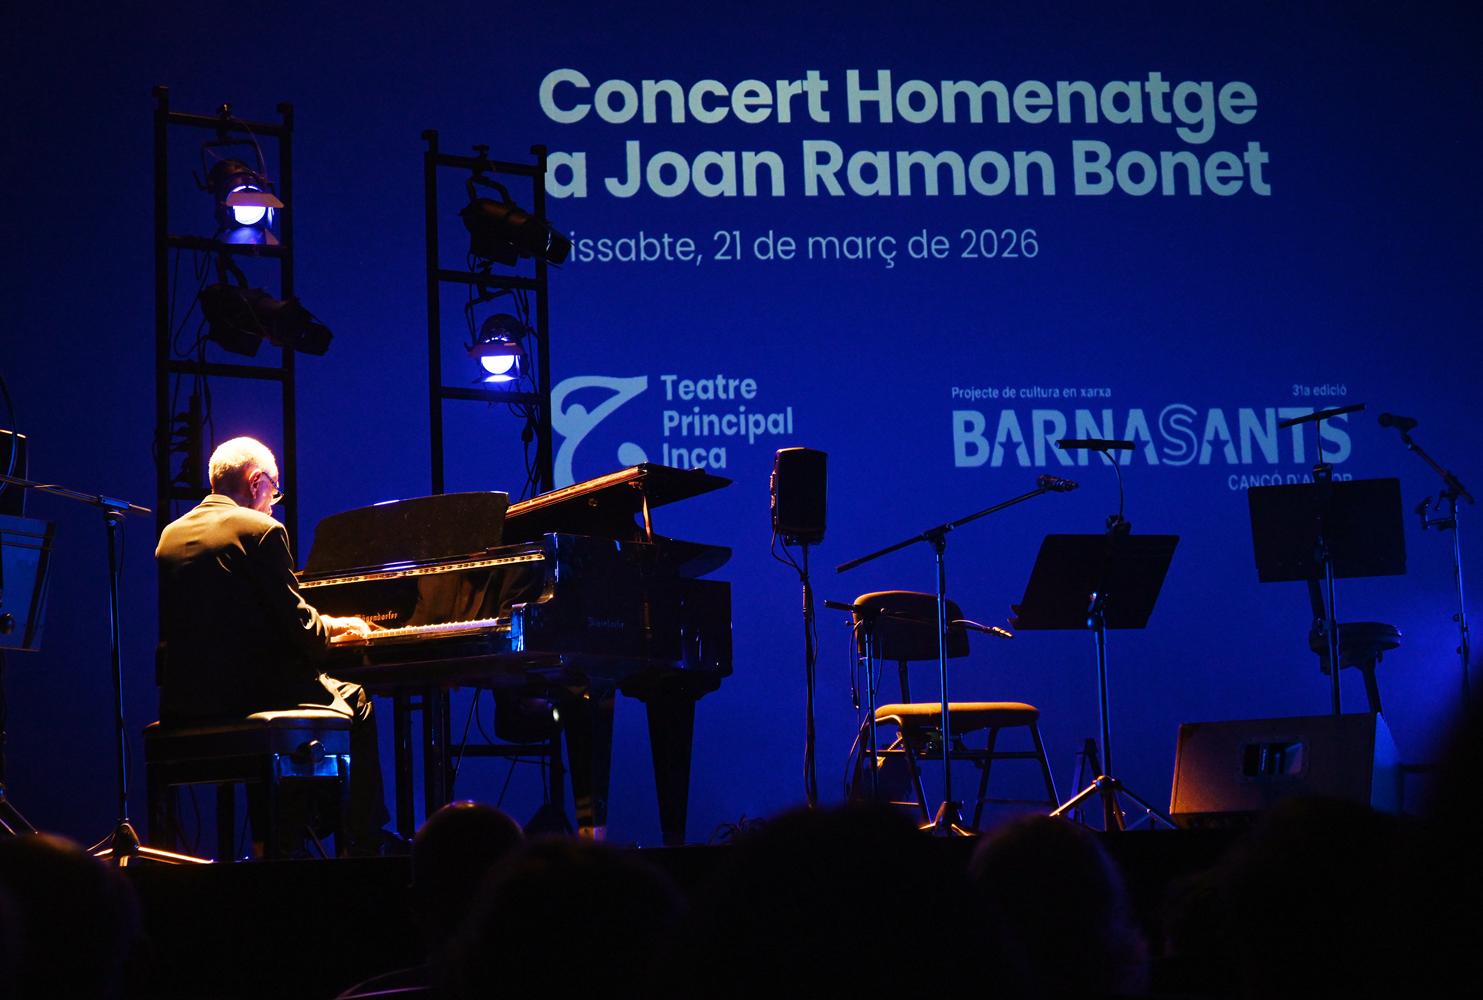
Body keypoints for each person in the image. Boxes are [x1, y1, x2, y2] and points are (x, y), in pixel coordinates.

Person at [155, 436, 388, 854]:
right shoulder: (261, 530)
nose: (274, 502)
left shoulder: (170, 536)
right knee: (356, 699)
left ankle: (278, 842)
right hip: (250, 697)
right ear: (255, 481)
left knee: (292, 702)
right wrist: (334, 626)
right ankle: (362, 842)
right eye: (274, 489)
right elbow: (304, 632)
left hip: (185, 703)